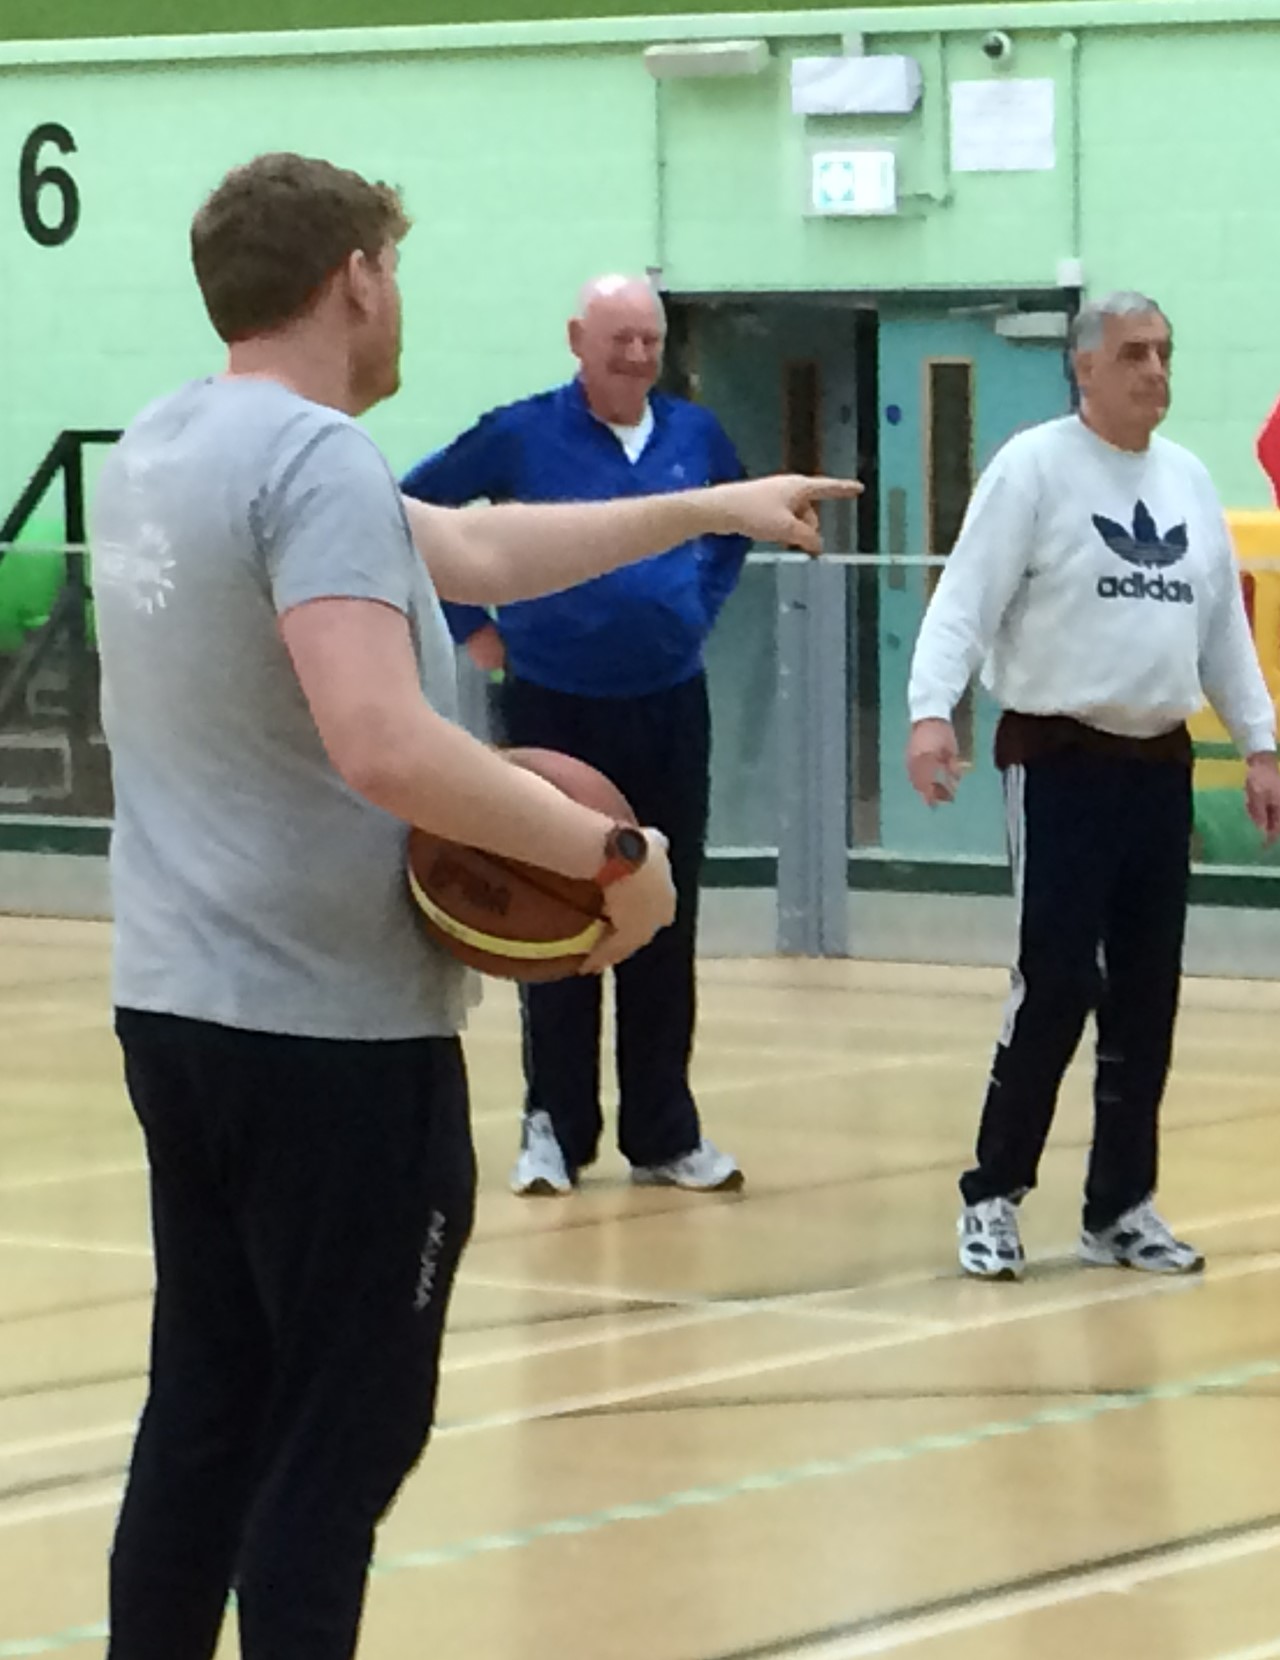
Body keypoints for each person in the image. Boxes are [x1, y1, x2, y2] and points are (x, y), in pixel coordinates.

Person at [91, 151, 849, 1659]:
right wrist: (608, 863)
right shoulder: (313, 462)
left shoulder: (164, 444)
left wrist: (707, 503)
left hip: (178, 1009)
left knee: (207, 1411)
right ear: (354, 276)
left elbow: (483, 547)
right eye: (394, 267)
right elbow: (383, 741)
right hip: (333, 1035)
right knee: (344, 1439)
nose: (397, 298)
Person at [907, 290, 1280, 1282]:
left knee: (1146, 995)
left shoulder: (1189, 480)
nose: (1153, 371)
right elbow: (965, 599)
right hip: (1059, 762)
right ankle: (992, 1192)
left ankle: (1120, 1205)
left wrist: (1258, 743)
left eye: (1163, 352)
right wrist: (929, 710)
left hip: (1157, 766)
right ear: (1084, 367)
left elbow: (1221, 632)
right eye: (1132, 354)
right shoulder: (1032, 467)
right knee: (1058, 980)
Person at [402, 273, 753, 1199]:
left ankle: (665, 1133)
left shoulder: (695, 436)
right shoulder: (519, 432)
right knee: (553, 911)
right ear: (577, 339)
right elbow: (412, 512)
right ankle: (553, 1129)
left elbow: (732, 527)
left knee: (661, 915)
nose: (637, 355)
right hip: (555, 710)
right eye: (619, 338)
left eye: (650, 338)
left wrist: (693, 606)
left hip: (670, 705)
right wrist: (469, 621)